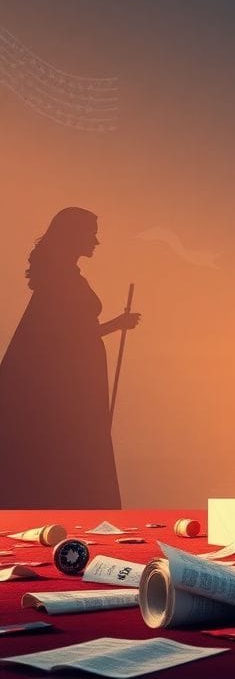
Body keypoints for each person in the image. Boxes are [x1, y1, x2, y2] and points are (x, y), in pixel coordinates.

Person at [0, 208, 141, 508]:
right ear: (73, 234)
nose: (96, 241)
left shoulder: (63, 277)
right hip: (68, 390)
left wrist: (117, 324)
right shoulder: (61, 281)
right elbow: (66, 338)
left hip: (77, 381)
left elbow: (74, 333)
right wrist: (117, 324)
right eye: (91, 233)